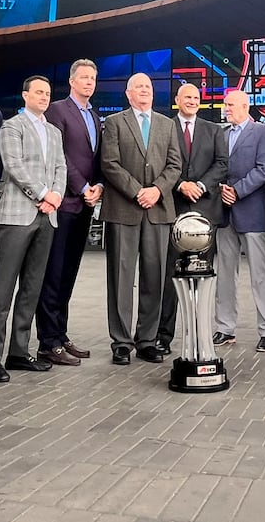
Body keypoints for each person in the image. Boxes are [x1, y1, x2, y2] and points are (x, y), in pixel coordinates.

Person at [0, 75, 66, 383]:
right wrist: (44, 194)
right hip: (17, 216)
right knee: (3, 289)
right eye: (38, 92)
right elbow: (14, 166)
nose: (43, 96)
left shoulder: (54, 132)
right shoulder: (12, 127)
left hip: (48, 216)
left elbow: (61, 167)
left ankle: (18, 351)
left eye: (47, 93)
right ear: (25, 95)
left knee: (31, 289)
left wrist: (55, 196)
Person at [98, 73, 183, 364]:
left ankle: (147, 340)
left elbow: (175, 164)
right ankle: (121, 342)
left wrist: (157, 190)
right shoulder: (114, 122)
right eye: (139, 87)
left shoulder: (167, 124)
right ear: (128, 93)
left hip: (158, 210)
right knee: (121, 278)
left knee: (155, 276)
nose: (145, 91)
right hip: (124, 208)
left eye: (148, 87)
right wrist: (138, 192)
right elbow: (109, 163)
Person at [37, 59, 103, 365]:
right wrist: (82, 186)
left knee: (69, 274)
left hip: (85, 206)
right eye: (84, 78)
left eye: (93, 78)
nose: (89, 82)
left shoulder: (94, 114)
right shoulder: (58, 110)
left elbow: (96, 156)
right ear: (72, 81)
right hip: (63, 203)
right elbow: (60, 152)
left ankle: (61, 334)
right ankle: (47, 341)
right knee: (53, 273)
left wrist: (98, 186)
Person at [158, 82, 228, 354]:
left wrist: (198, 185)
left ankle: (199, 336)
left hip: (205, 210)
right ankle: (163, 337)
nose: (192, 101)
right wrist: (179, 184)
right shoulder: (165, 127)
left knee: (202, 276)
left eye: (196, 97)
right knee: (169, 275)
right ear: (177, 99)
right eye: (187, 97)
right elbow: (160, 161)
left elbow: (222, 163)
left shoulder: (214, 130)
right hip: (171, 209)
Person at [213, 89, 265, 352]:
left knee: (260, 275)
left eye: (230, 105)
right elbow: (217, 166)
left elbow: (264, 169)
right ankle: (225, 328)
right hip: (224, 214)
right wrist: (221, 189)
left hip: (251, 212)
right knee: (225, 275)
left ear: (244, 105)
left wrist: (237, 190)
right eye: (226, 105)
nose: (226, 108)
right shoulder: (222, 134)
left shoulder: (262, 132)